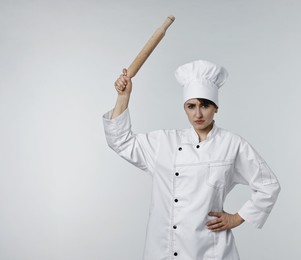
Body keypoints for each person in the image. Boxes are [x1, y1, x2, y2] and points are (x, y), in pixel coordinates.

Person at [103, 60, 281, 260]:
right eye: (191, 106)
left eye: (204, 106)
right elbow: (120, 141)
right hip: (163, 249)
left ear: (216, 108)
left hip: (210, 250)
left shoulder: (231, 144)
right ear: (184, 108)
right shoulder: (164, 143)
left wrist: (237, 218)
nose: (197, 114)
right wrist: (123, 96)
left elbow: (268, 185)